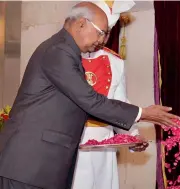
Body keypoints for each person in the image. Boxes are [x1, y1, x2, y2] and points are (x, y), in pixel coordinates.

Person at [0, 2, 179, 189]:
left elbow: (87, 106)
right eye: (101, 32)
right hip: (29, 165)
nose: (102, 40)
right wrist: (143, 113)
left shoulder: (66, 50)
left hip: (41, 166)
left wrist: (131, 132)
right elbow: (90, 101)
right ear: (81, 23)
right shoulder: (59, 51)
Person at [70, 1, 147, 189]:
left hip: (104, 146)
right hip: (71, 144)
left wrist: (132, 137)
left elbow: (119, 104)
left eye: (107, 33)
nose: (102, 40)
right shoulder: (65, 55)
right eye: (100, 32)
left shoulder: (115, 62)